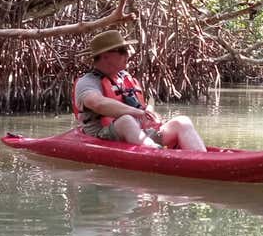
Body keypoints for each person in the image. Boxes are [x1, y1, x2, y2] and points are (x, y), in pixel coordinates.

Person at [73, 30, 207, 151]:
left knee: (182, 122)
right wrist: (137, 113)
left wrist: (148, 111)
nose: (128, 54)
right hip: (102, 135)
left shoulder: (124, 78)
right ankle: (158, 154)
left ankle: (202, 159)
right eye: (122, 51)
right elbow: (98, 103)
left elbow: (147, 102)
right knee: (126, 120)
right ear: (105, 56)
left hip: (139, 133)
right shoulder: (88, 82)